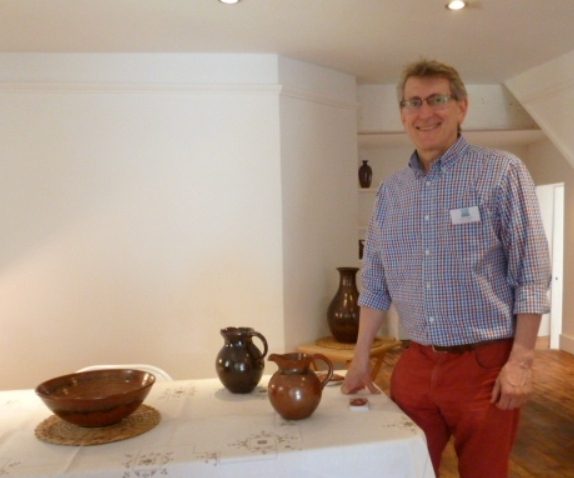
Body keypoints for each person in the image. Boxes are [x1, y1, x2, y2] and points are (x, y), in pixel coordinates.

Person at [342, 59, 551, 478]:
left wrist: (521, 362)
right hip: (415, 364)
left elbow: (532, 271)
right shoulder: (391, 192)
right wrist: (360, 355)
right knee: (406, 470)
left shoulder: (501, 171)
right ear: (403, 114)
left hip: (485, 367)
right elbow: (376, 281)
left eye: (438, 99)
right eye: (414, 102)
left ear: (461, 107)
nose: (426, 112)